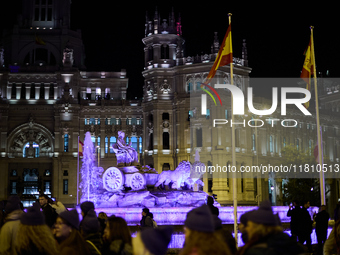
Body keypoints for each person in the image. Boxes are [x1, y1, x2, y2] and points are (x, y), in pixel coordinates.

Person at [237, 200, 306, 255]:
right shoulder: (292, 244)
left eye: (248, 225)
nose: (247, 228)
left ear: (257, 228)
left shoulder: (258, 250)